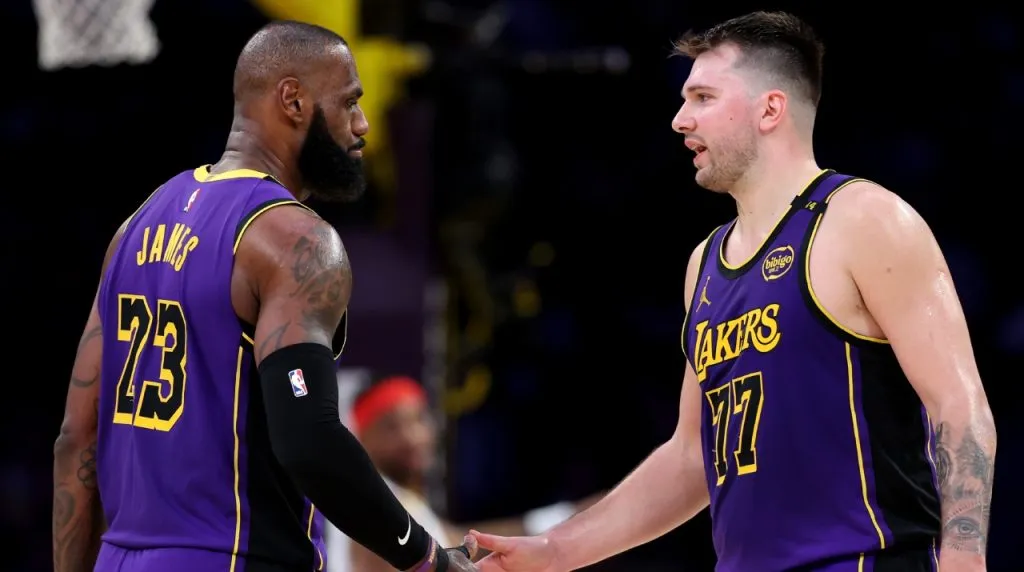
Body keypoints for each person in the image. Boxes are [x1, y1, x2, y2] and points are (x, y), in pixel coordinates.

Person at [471, 11, 995, 572]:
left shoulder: (864, 219)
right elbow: (692, 456)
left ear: (770, 109)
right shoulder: (706, 263)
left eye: (702, 98)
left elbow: (958, 405)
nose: (678, 120)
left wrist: (964, 555)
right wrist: (559, 551)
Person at [52, 21, 477, 572]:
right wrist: (429, 561)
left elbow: (75, 440)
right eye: (349, 102)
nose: (362, 124)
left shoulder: (134, 227)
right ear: (293, 100)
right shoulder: (293, 239)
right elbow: (310, 443)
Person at [324, 374, 601, 572]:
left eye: (419, 419)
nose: (413, 437)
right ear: (362, 438)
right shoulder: (372, 503)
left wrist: (572, 517)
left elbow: (465, 541)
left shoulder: (404, 502)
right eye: (391, 427)